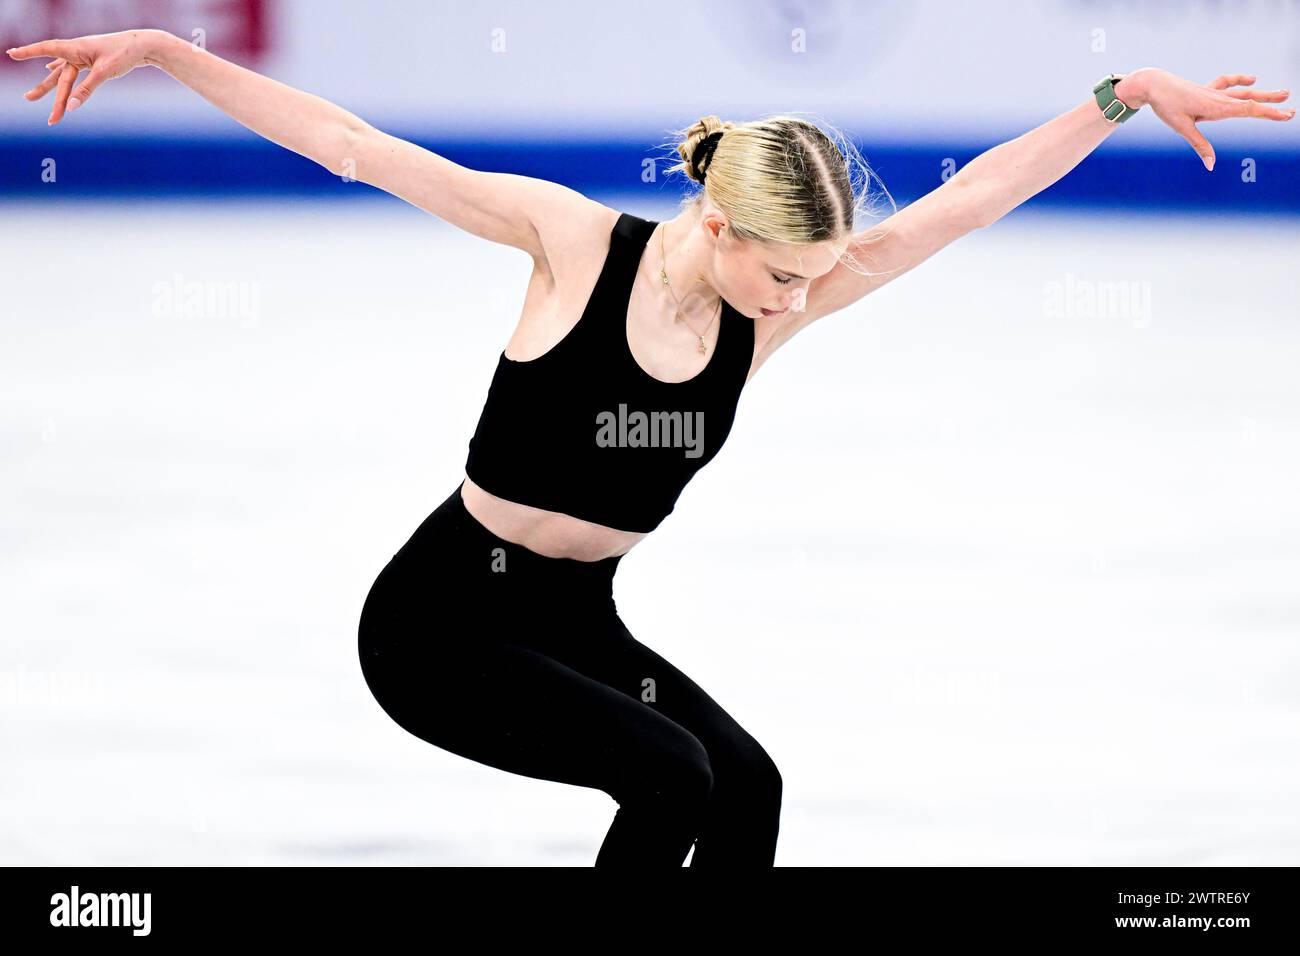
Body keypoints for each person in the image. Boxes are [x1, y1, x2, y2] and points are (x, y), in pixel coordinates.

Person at [10, 27, 1291, 867]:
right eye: (782, 272)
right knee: (673, 776)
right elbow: (353, 145)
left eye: (817, 275)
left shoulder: (778, 305)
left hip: (574, 620)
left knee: (748, 787)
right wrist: (168, 51)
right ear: (722, 224)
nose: (799, 300)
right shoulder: (569, 245)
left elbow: (959, 208)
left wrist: (1117, 96)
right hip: (442, 622)